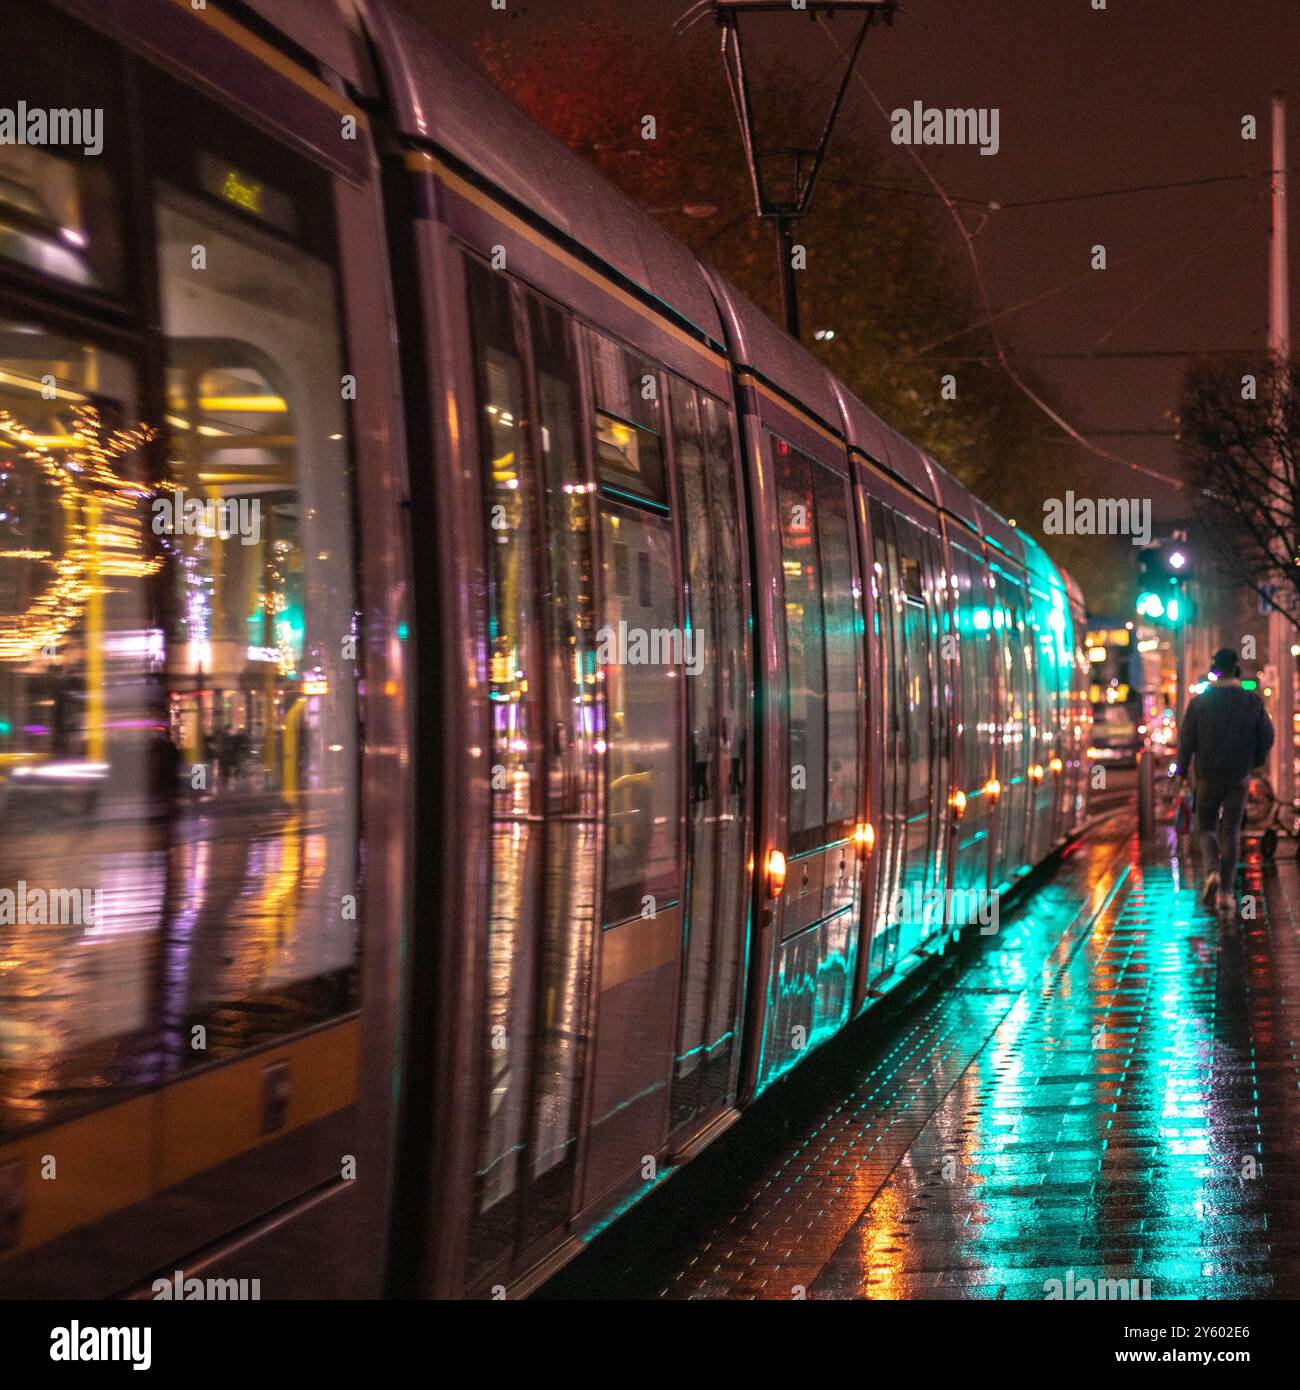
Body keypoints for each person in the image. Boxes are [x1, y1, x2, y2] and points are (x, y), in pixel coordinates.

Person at [1175, 646, 1275, 918]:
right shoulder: (1251, 701)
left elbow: (1186, 740)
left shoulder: (1199, 704)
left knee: (1205, 826)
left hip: (1208, 775)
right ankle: (1227, 894)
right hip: (1239, 775)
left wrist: (1182, 771)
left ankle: (1211, 872)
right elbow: (1267, 736)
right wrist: (1254, 761)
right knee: (1231, 831)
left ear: (1214, 669)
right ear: (1237, 670)